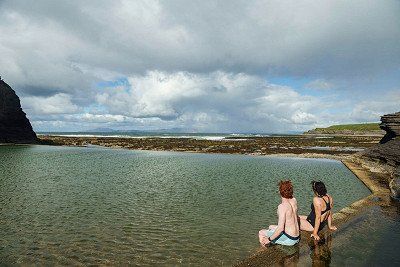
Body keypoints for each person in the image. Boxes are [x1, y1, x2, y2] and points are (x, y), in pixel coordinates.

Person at [259, 180, 300, 246]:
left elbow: (280, 228)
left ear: (279, 192)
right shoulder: (294, 200)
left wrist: (269, 239)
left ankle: (265, 249)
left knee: (261, 232)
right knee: (270, 226)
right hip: (296, 236)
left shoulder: (282, 207)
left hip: (289, 239)